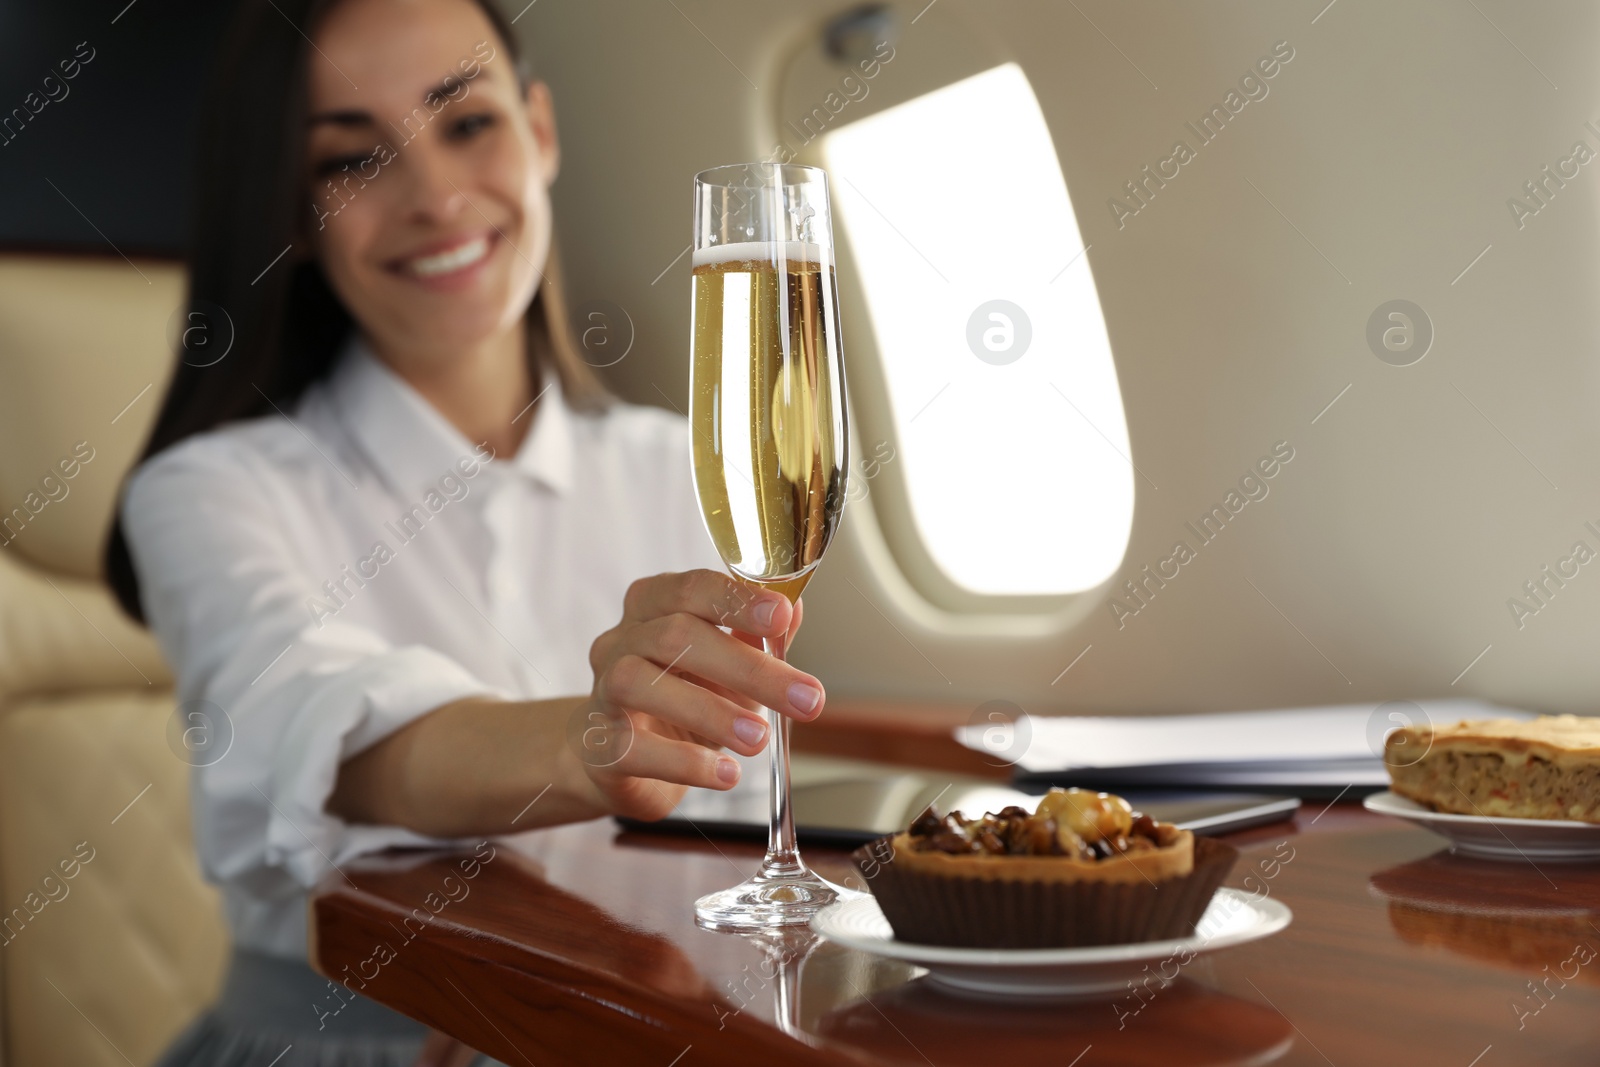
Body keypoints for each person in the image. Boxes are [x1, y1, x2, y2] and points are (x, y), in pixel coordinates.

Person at [105, 1, 826, 1063]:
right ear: (295, 215)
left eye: (468, 123)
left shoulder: (685, 467)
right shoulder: (208, 491)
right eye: (352, 160)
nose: (435, 196)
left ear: (538, 131)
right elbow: (329, 737)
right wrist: (589, 739)